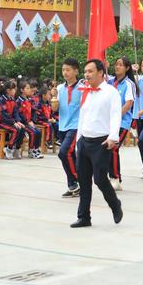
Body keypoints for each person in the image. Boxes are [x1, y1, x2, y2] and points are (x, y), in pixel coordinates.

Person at [71, 59, 123, 228]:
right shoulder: (86, 92)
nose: (87, 75)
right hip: (85, 141)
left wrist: (113, 137)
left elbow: (116, 115)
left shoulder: (111, 92)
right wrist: (78, 139)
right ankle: (84, 217)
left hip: (102, 143)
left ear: (101, 72)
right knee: (84, 181)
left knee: (100, 179)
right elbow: (82, 117)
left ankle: (115, 205)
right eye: (85, 71)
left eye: (90, 71)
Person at [108, 56, 138, 190]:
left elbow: (129, 103)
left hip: (122, 122)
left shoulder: (128, 84)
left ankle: (115, 178)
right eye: (116, 64)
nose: (117, 67)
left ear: (127, 68)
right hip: (107, 122)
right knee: (108, 149)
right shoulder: (109, 81)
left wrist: (116, 116)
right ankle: (115, 177)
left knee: (113, 147)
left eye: (120, 65)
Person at [53, 58, 81, 198]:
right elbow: (55, 108)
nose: (65, 72)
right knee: (70, 156)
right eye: (63, 69)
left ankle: (78, 181)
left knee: (64, 153)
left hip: (76, 125)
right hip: (63, 125)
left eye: (68, 69)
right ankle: (72, 185)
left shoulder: (82, 87)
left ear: (76, 71)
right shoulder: (58, 88)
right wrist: (53, 99)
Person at [0, 81, 26, 159]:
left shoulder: (12, 99)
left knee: (22, 128)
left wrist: (18, 121)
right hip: (0, 121)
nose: (15, 91)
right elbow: (4, 115)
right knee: (15, 129)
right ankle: (9, 148)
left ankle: (17, 148)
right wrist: (13, 122)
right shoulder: (1, 100)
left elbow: (15, 112)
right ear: (8, 90)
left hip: (9, 121)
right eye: (14, 89)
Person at [16, 80, 43, 159]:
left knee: (38, 131)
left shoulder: (29, 100)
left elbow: (32, 112)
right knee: (32, 132)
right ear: (22, 90)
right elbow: (19, 114)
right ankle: (31, 151)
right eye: (27, 88)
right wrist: (27, 122)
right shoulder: (19, 101)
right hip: (23, 123)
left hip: (28, 122)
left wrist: (32, 121)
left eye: (29, 88)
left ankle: (36, 149)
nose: (29, 90)